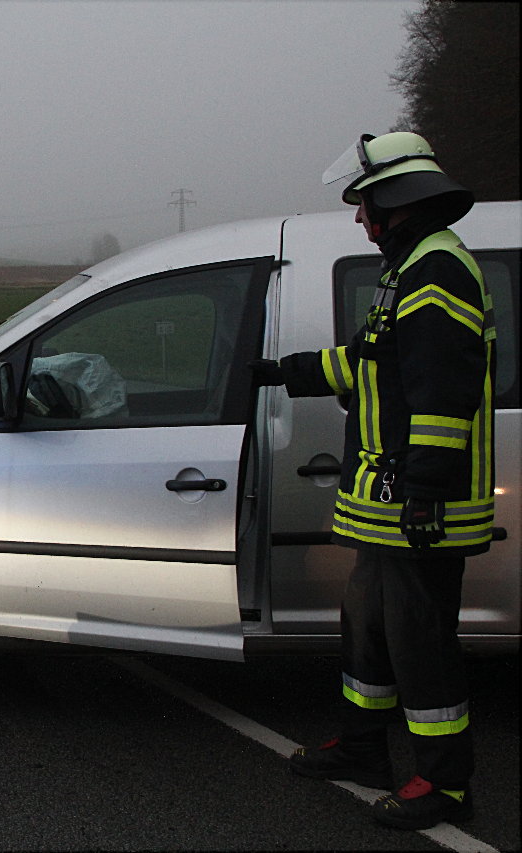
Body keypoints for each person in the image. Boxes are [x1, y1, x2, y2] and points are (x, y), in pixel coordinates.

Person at [252, 131, 494, 830]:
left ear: (396, 201)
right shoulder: (409, 270)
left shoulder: (438, 272)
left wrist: (425, 494)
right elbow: (368, 364)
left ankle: (445, 783)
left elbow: (442, 397)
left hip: (417, 509)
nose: (359, 216)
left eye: (365, 204)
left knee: (422, 648)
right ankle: (364, 749)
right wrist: (283, 372)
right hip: (386, 508)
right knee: (369, 634)